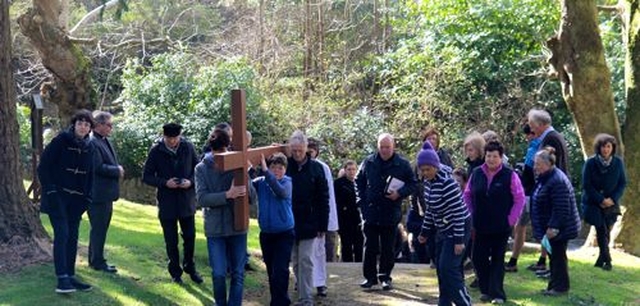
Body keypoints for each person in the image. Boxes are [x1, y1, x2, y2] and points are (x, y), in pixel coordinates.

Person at [38, 109, 95, 293]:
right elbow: (43, 167)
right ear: (74, 124)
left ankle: (70, 275)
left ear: (89, 128)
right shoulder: (60, 141)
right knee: (62, 234)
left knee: (73, 236)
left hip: (77, 200)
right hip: (58, 196)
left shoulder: (90, 146)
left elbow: (91, 174)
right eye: (80, 123)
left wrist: (87, 197)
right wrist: (52, 191)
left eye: (87, 124)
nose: (83, 127)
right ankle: (61, 278)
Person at [195, 129, 254, 306]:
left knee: (237, 272)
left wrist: (247, 174)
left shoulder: (237, 165)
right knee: (219, 273)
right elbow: (202, 198)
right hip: (215, 229)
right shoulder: (201, 168)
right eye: (217, 151)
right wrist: (227, 194)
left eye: (223, 150)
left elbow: (252, 197)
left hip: (237, 226)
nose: (221, 154)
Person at [463, 141, 525, 304]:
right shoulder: (476, 173)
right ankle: (486, 289)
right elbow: (467, 194)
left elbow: (519, 199)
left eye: (495, 156)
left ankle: (497, 293)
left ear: (500, 157)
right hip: (480, 224)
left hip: (501, 226)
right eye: (488, 155)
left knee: (498, 260)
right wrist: (470, 214)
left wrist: (511, 219)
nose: (491, 159)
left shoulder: (510, 175)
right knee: (478, 258)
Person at [142, 123, 203, 284]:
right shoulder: (156, 151)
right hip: (167, 202)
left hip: (186, 201)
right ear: (164, 137)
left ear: (179, 136)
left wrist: (189, 182)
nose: (172, 141)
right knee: (171, 240)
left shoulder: (188, 147)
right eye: (169, 138)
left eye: (175, 138)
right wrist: (164, 182)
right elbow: (147, 176)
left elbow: (198, 170)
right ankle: (175, 272)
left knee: (190, 237)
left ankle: (190, 266)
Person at [356, 133, 417, 291]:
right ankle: (369, 278)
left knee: (388, 247)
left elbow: (413, 184)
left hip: (390, 212)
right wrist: (361, 202)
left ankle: (385, 277)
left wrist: (400, 193)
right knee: (370, 246)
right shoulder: (368, 162)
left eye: (387, 147)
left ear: (393, 147)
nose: (384, 150)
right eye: (381, 147)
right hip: (370, 212)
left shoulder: (402, 164)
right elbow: (358, 181)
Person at [416, 141, 472, 306]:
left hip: (458, 227)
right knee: (441, 269)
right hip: (443, 228)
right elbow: (431, 211)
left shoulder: (447, 184)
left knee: (449, 268)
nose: (425, 172)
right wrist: (424, 233)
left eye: (428, 169)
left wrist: (458, 240)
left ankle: (464, 303)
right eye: (422, 169)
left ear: (436, 166)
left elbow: (458, 213)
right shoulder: (428, 184)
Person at [286, 130, 329, 306]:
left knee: (306, 259)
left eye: (300, 150)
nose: (297, 154)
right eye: (294, 150)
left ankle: (306, 298)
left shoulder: (317, 168)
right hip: (289, 220)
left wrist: (323, 225)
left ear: (306, 149)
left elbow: (323, 198)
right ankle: (302, 291)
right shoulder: (286, 165)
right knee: (295, 261)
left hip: (310, 221)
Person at [531, 147, 581, 296]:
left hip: (559, 229)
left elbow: (561, 208)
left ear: (548, 164)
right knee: (554, 257)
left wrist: (553, 227)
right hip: (553, 226)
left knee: (558, 258)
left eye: (538, 164)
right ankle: (553, 286)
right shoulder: (548, 177)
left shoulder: (557, 180)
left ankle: (560, 288)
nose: (535, 167)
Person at [527, 109, 569, 273]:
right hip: (551, 190)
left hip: (554, 193)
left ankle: (556, 275)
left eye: (532, 126)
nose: (531, 130)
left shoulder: (551, 138)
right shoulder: (552, 137)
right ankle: (551, 269)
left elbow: (553, 166)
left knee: (556, 238)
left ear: (541, 124)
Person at [252, 153, 294, 306]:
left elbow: (280, 191)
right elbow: (249, 182)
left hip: (284, 233)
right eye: (273, 167)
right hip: (267, 234)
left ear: (285, 170)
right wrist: (250, 168)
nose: (276, 171)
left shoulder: (287, 182)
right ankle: (276, 300)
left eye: (280, 168)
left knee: (280, 270)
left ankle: (281, 302)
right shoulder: (261, 182)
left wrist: (265, 171)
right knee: (271, 271)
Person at [582, 134, 627, 271]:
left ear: (612, 148)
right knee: (601, 229)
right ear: (599, 147)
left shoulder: (618, 163)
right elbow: (586, 184)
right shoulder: (590, 163)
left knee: (606, 230)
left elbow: (622, 183)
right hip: (593, 203)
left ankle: (601, 259)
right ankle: (608, 260)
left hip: (611, 203)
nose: (606, 149)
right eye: (603, 146)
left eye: (608, 146)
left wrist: (612, 199)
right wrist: (600, 200)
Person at [88, 111, 122, 274]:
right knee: (99, 228)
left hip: (106, 194)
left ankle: (95, 258)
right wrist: (116, 170)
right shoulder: (93, 141)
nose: (111, 128)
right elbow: (97, 167)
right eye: (109, 125)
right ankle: (97, 262)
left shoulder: (104, 140)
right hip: (98, 195)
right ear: (99, 125)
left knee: (101, 228)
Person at [505, 124, 542, 272]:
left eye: (530, 133)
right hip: (529, 193)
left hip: (531, 195)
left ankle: (515, 261)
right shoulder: (533, 148)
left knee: (521, 226)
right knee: (522, 227)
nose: (528, 137)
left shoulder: (535, 149)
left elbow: (532, 174)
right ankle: (541, 260)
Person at [307, 138, 338, 297]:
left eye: (312, 150)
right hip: (304, 216)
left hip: (318, 217)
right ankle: (303, 281)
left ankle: (320, 283)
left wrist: (327, 223)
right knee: (303, 253)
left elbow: (328, 198)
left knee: (319, 252)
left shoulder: (322, 168)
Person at [334, 160, 363, 263]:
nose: (351, 172)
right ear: (345, 170)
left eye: (353, 169)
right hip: (344, 219)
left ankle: (360, 265)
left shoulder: (361, 182)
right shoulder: (338, 184)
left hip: (358, 219)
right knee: (346, 245)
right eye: (349, 169)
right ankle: (347, 265)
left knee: (359, 244)